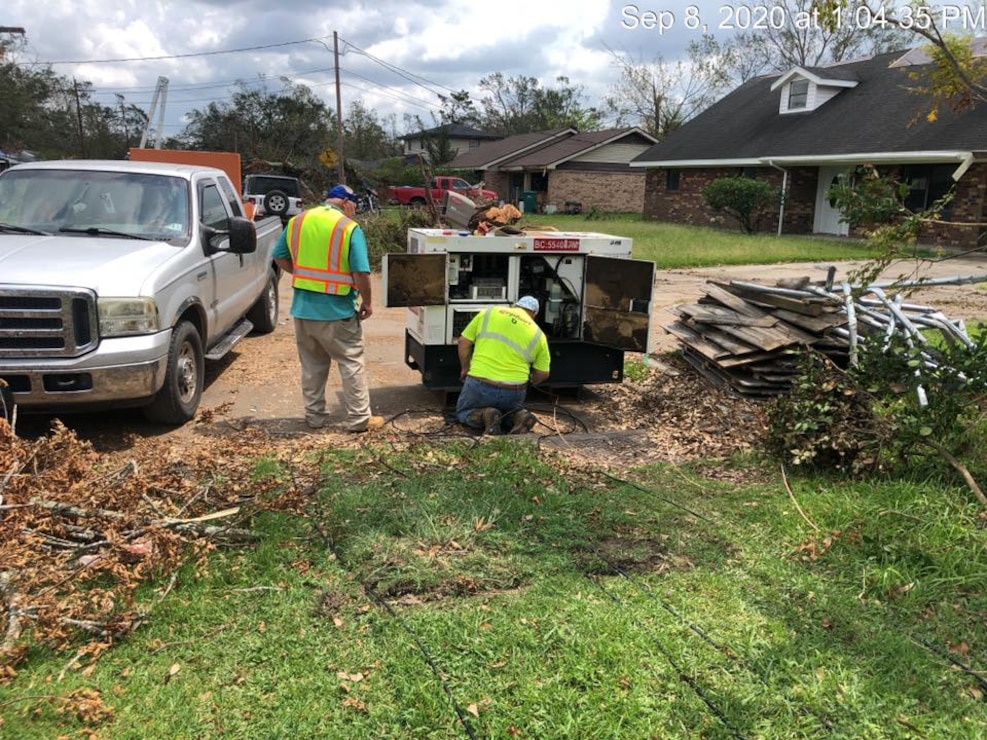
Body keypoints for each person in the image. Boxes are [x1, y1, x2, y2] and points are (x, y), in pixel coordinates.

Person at [273, 184, 384, 432]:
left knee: (312, 366)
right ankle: (358, 419)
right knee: (351, 362)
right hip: (338, 310)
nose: (354, 210)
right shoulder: (348, 228)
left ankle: (315, 418)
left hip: (303, 310)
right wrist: (367, 302)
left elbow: (279, 256)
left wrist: (301, 273)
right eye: (354, 204)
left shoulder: (298, 221)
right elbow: (362, 272)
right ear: (345, 202)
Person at [455, 295, 550, 435]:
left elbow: (463, 342)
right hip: (514, 390)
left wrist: (465, 368)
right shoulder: (538, 335)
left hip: (480, 383)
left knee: (463, 413)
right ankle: (519, 416)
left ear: (515, 306)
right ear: (534, 314)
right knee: (507, 413)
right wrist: (529, 380)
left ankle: (484, 415)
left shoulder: (489, 312)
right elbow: (543, 373)